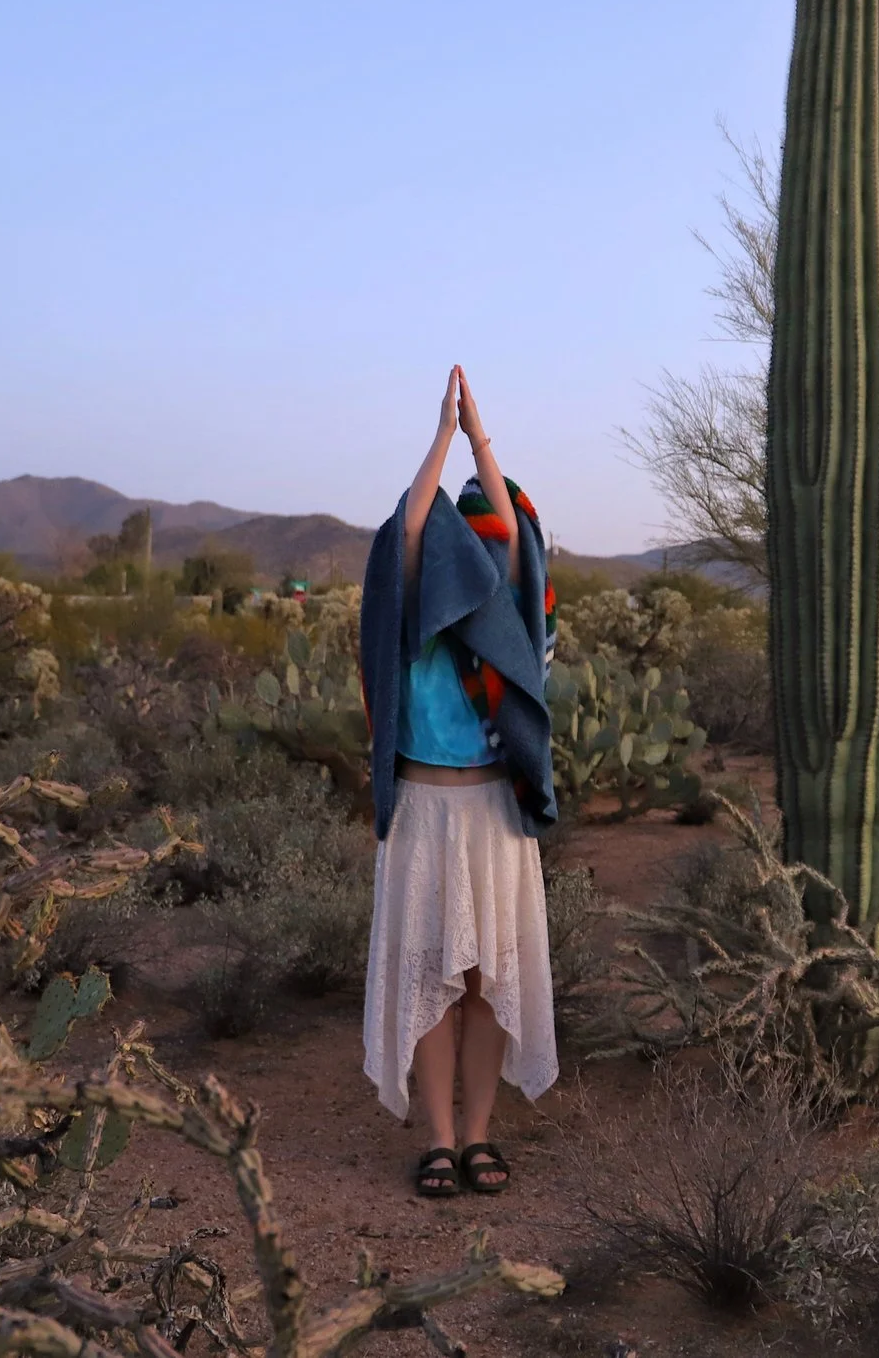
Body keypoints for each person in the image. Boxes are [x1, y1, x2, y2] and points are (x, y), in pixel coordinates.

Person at [357, 365, 560, 1198]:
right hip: (423, 806)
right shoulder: (408, 595)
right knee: (431, 980)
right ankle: (438, 1138)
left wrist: (483, 439)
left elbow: (510, 532)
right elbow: (409, 528)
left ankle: (478, 1136)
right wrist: (442, 435)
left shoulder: (503, 610)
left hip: (490, 809)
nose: (463, 547)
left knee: (486, 980)